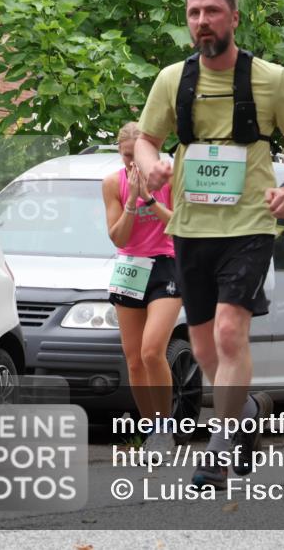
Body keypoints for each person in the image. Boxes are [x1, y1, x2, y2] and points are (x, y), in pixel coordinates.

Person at [134, 0, 284, 487]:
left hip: (250, 225)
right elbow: (147, 140)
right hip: (191, 227)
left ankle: (217, 449)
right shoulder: (172, 80)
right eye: (194, 13)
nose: (202, 21)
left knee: (230, 332)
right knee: (203, 349)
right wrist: (152, 166)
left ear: (234, 18)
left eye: (212, 11)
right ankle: (247, 412)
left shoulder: (270, 79)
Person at [103, 122, 181, 455]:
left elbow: (178, 225)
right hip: (131, 267)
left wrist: (149, 198)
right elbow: (118, 237)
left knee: (152, 351)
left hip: (166, 264)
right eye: (126, 157)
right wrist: (132, 201)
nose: (133, 164)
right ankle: (152, 430)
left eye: (137, 156)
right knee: (134, 359)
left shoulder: (170, 177)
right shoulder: (112, 183)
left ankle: (165, 429)